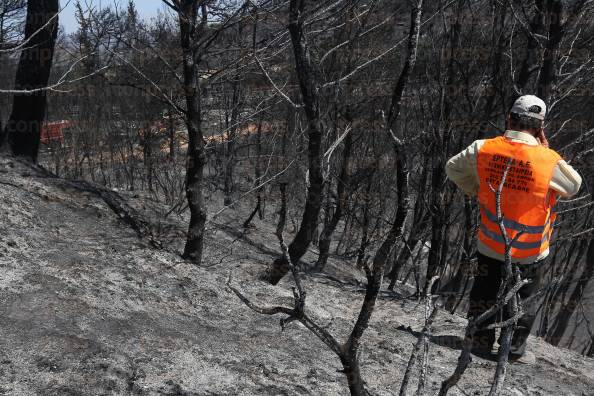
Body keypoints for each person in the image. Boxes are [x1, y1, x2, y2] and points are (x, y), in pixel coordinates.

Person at [445, 95, 582, 364]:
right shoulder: (548, 160)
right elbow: (573, 185)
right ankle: (513, 349)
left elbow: (453, 168)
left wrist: (477, 189)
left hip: (490, 244)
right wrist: (545, 153)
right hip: (530, 251)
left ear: (510, 118)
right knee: (522, 301)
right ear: (540, 127)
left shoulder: (483, 148)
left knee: (483, 294)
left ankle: (480, 344)